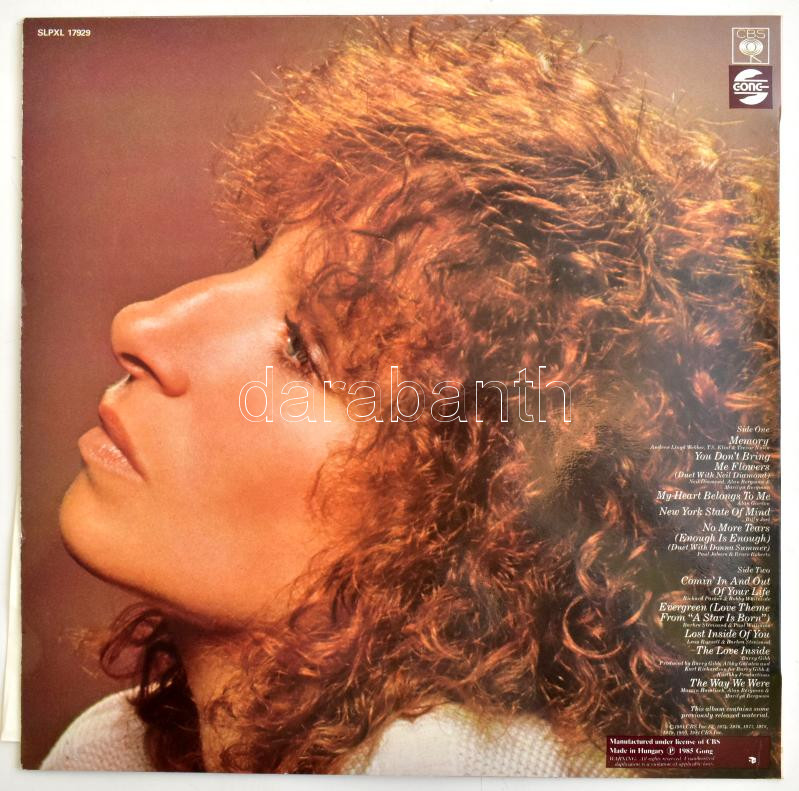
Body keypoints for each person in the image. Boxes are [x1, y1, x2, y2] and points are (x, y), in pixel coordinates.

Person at [42, 16, 777, 775]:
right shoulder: (115, 752)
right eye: (253, 259)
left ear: (486, 544)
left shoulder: (456, 768)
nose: (142, 325)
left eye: (306, 351)